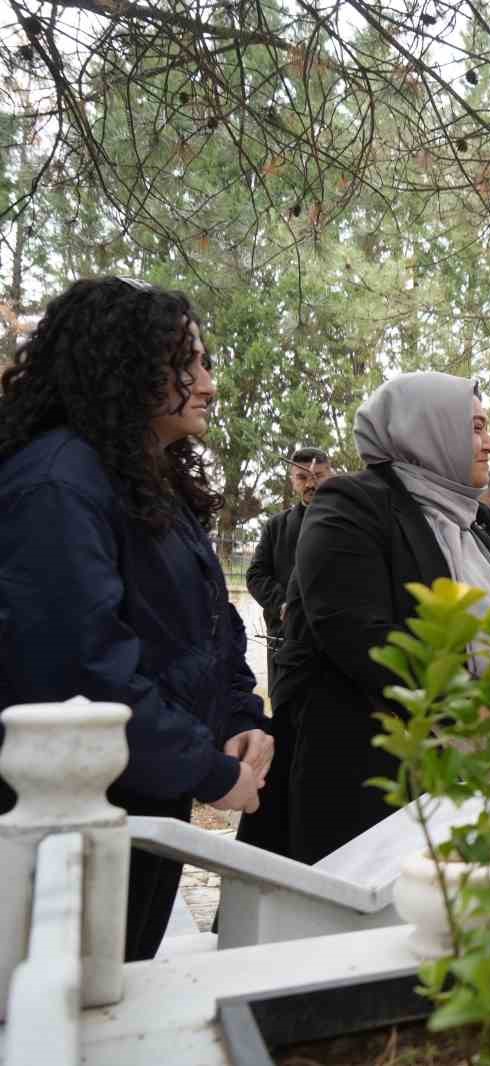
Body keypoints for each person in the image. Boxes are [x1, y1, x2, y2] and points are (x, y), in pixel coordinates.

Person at [0, 277, 272, 960]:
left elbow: (210, 628)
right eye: (189, 366)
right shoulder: (57, 483)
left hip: (140, 797)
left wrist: (241, 719)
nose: (208, 384)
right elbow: (80, 670)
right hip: (80, 818)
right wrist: (208, 773)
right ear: (124, 367)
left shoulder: (142, 477)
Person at [273, 372, 490, 863]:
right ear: (425, 429)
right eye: (475, 427)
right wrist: (472, 704)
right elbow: (359, 634)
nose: (489, 444)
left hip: (484, 771)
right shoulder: (351, 505)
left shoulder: (481, 519)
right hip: (377, 780)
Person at [246, 447, 333, 693]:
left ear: (330, 474)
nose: (310, 484)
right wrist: (285, 605)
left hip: (335, 644)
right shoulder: (275, 527)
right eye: (302, 477)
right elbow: (256, 576)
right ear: (292, 480)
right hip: (284, 642)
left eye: (318, 475)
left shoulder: (351, 524)